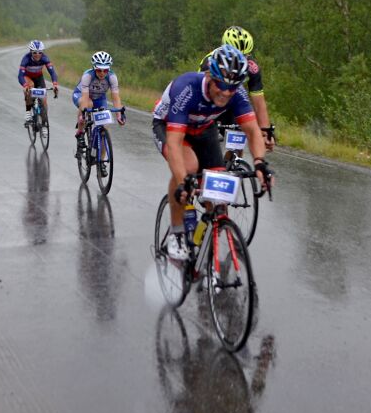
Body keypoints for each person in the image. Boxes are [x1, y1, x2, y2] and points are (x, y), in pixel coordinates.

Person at [154, 44, 274, 260]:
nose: (226, 92)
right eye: (221, 84)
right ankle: (177, 231)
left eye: (233, 86)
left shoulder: (236, 93)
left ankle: (204, 257)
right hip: (169, 126)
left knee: (218, 201)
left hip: (203, 128)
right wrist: (183, 181)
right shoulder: (187, 88)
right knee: (188, 167)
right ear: (210, 77)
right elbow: (174, 143)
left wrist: (259, 162)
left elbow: (253, 131)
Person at [198, 26, 275, 151]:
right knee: (206, 142)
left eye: (245, 55)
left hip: (232, 102)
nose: (240, 59)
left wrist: (265, 132)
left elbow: (259, 102)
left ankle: (233, 164)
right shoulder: (210, 62)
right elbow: (202, 95)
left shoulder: (252, 68)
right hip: (210, 102)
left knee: (238, 144)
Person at [72, 50, 125, 163]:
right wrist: (84, 113)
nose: (102, 73)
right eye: (99, 70)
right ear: (94, 68)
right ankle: (80, 133)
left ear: (108, 69)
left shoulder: (112, 77)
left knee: (105, 127)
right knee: (88, 105)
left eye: (105, 70)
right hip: (81, 95)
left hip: (100, 99)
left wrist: (119, 115)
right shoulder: (87, 76)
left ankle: (101, 162)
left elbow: (115, 98)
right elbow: (85, 98)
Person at [17, 40, 58, 127]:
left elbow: (52, 72)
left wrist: (55, 84)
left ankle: (44, 124)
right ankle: (28, 113)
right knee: (30, 86)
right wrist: (25, 85)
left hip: (39, 78)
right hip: (27, 77)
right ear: (31, 52)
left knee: (44, 101)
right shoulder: (26, 59)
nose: (37, 54)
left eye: (40, 52)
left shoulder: (44, 58)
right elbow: (20, 75)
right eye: (35, 52)